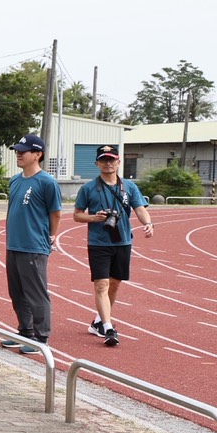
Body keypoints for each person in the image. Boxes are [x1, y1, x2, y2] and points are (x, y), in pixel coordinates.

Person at [72, 145, 152, 348]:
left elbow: (140, 208)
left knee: (115, 284)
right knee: (101, 284)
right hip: (99, 243)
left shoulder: (129, 187)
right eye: (103, 160)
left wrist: (148, 223)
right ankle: (108, 327)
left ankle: (98, 321)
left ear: (118, 162)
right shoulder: (88, 188)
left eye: (111, 160)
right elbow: (77, 215)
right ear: (97, 163)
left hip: (123, 241)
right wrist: (94, 217)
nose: (108, 163)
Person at [1, 132, 60, 356]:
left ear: (37, 154)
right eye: (17, 151)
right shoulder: (15, 180)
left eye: (23, 151)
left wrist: (52, 236)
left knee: (36, 293)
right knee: (16, 293)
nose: (18, 154)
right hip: (14, 245)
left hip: (34, 246)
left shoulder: (47, 182)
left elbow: (56, 214)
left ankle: (41, 337)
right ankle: (25, 331)